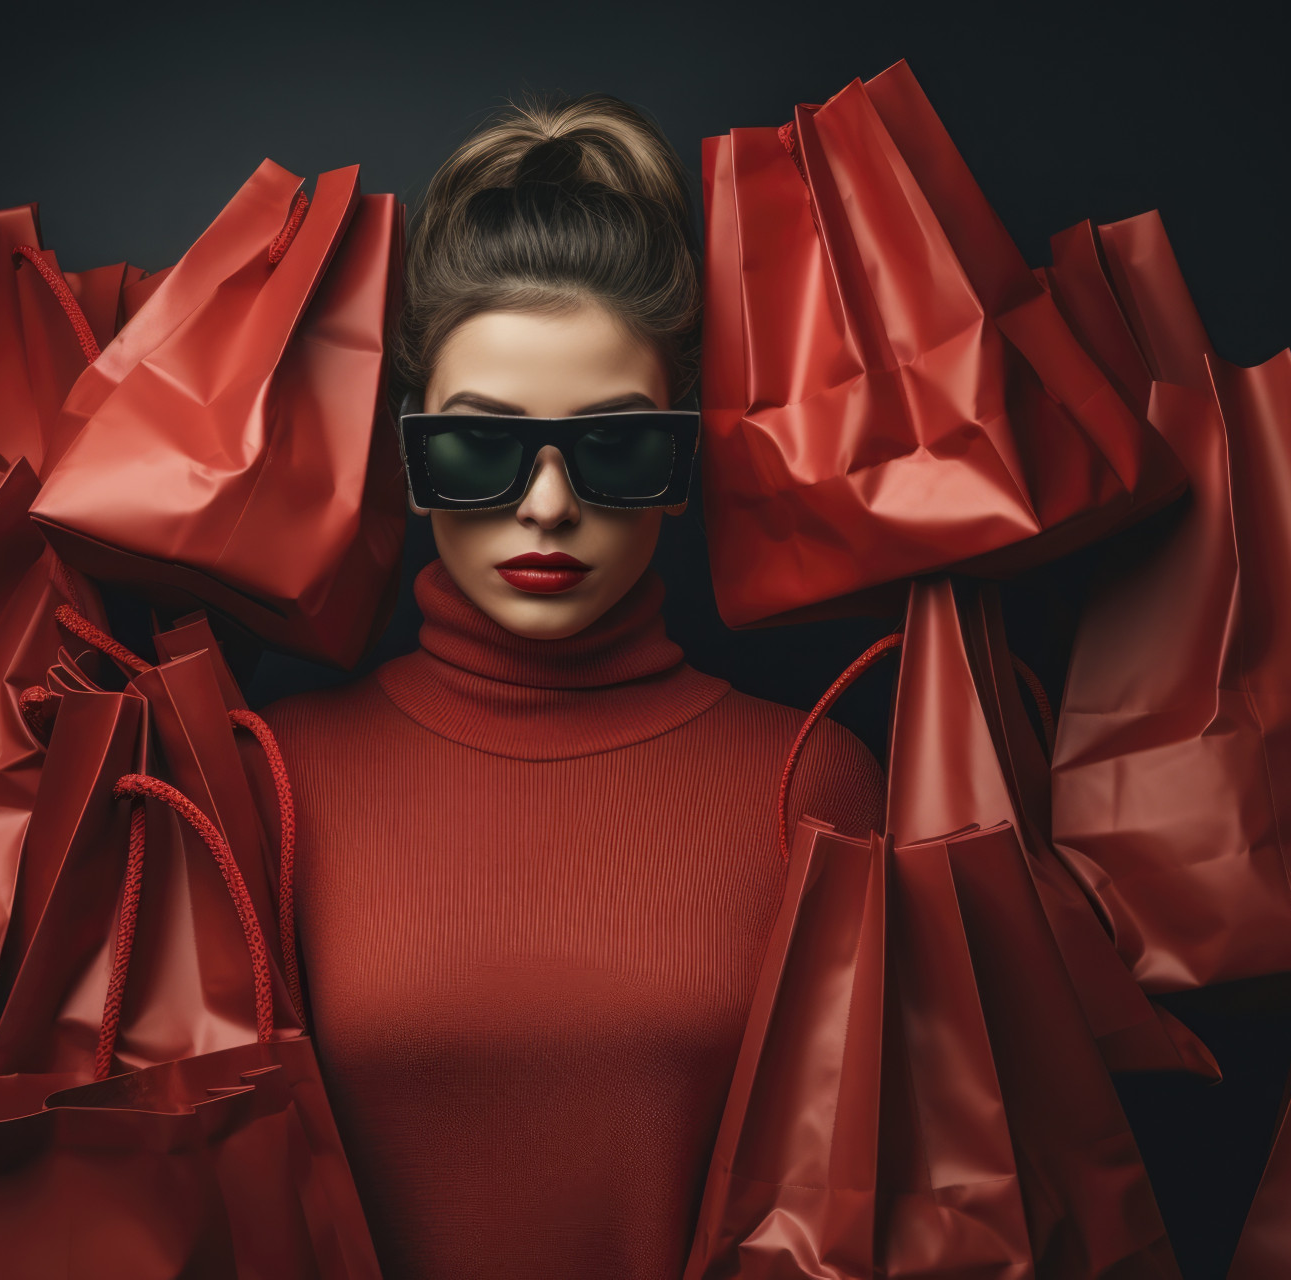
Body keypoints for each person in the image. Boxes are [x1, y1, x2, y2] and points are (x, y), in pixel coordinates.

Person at [260, 96, 885, 1280]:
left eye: (614, 447)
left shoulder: (813, 779)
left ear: (681, 463)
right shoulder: (273, 775)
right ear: (410, 457)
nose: (547, 503)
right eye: (481, 448)